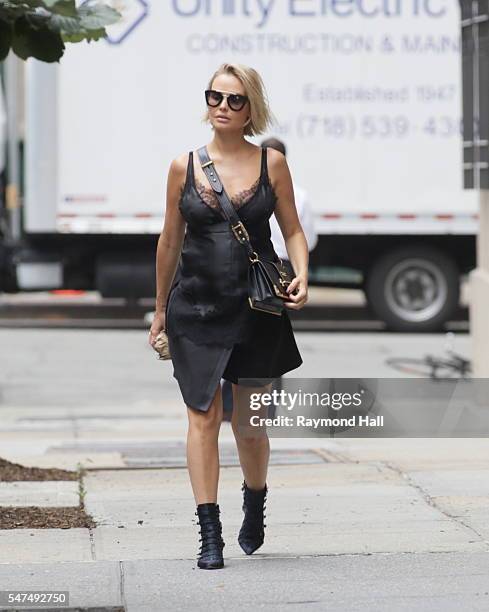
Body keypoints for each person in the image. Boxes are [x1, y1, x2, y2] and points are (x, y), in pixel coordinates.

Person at [149, 63, 309, 570]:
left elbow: (293, 231)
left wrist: (302, 273)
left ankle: (255, 502)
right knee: (201, 416)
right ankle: (209, 533)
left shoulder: (272, 164)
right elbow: (170, 241)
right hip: (194, 307)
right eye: (215, 96)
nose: (223, 106)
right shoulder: (183, 166)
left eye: (235, 100)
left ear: (251, 108)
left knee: (251, 424)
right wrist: (158, 311)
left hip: (257, 307)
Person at [221, 137, 317, 420]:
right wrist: (300, 272)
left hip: (250, 268)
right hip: (282, 269)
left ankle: (232, 403)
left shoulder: (243, 188)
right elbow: (306, 238)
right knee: (270, 338)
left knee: (242, 332)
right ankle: (265, 406)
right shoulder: (299, 194)